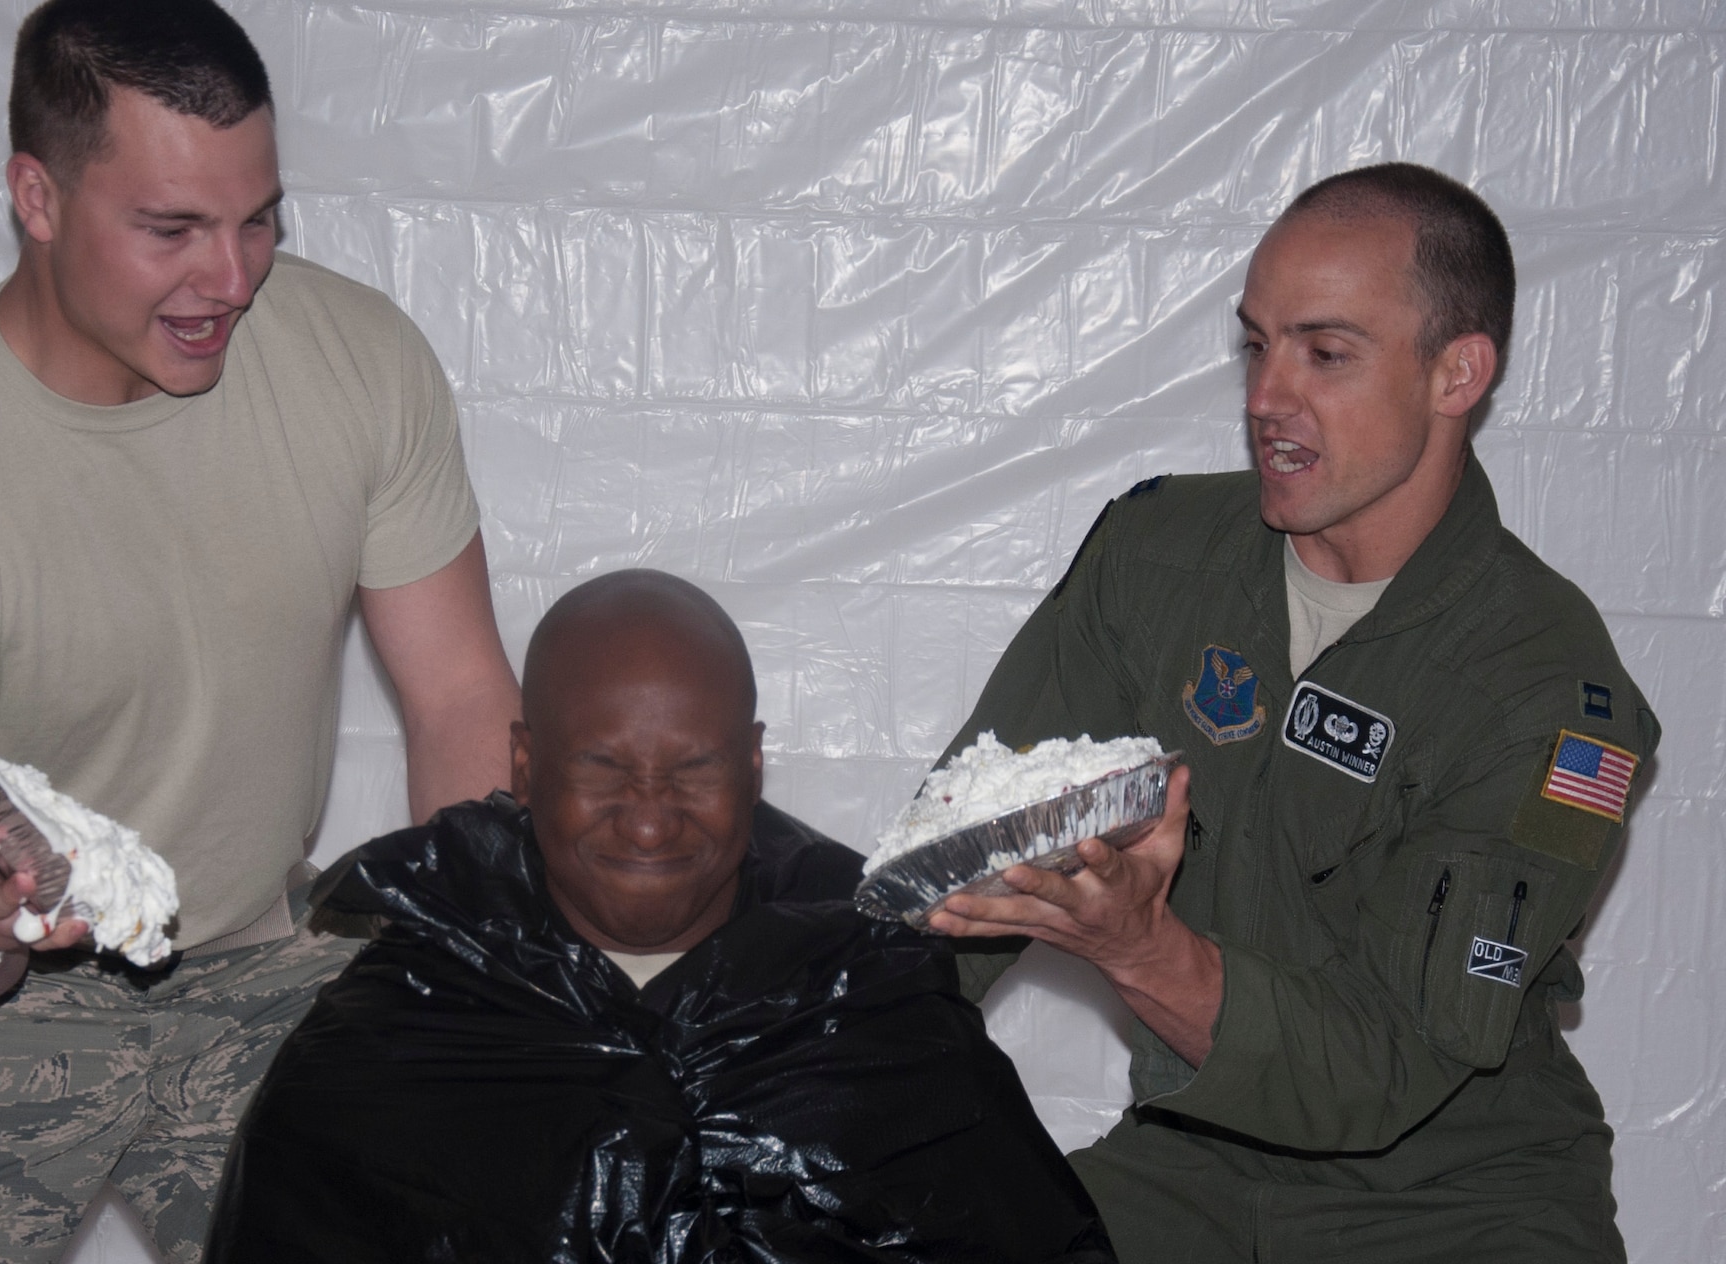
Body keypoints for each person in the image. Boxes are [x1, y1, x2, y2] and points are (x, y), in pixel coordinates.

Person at [0, 2, 519, 1261]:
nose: (230, 277)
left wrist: (469, 1000)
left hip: (264, 964)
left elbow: (461, 700)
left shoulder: (360, 363)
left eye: (257, 218)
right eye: (171, 230)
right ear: (35, 199)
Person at [927, 163, 1659, 1261]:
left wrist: (1139, 945)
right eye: (1255, 344)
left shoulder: (1553, 696)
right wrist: (801, 1044)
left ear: (1456, 371)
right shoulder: (1157, 557)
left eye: (1323, 353)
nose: (1266, 396)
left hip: (1455, 1200)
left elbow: (1386, 1068)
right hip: (1189, 1165)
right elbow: (967, 869)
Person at [203, 570, 1116, 1264]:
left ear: (755, 765)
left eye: (694, 770)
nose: (648, 817)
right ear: (526, 765)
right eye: (602, 768)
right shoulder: (403, 1026)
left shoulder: (870, 998)